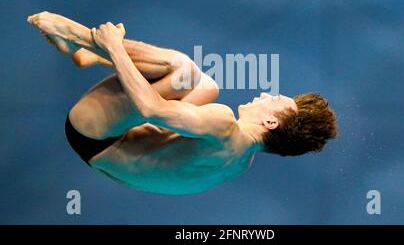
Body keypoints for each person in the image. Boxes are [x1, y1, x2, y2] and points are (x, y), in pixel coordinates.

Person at [27, 11, 339, 195]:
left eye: (275, 100)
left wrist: (116, 47)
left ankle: (86, 39)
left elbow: (152, 109)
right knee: (208, 85)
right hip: (106, 156)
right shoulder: (241, 162)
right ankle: (89, 56)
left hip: (94, 134)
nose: (266, 94)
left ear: (272, 123)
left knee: (185, 72)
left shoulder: (224, 123)